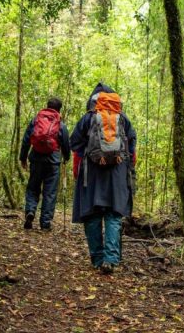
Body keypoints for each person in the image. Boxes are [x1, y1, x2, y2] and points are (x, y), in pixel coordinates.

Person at [71, 83, 136, 274]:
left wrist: (90, 155)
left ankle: (98, 259)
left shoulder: (88, 118)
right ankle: (111, 259)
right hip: (117, 174)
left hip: (91, 175)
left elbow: (74, 142)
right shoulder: (123, 119)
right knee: (114, 215)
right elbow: (131, 147)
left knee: (92, 216)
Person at [20, 97, 70, 230]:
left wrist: (23, 158)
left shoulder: (36, 120)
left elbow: (26, 139)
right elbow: (65, 142)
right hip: (53, 161)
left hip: (36, 158)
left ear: (47, 106)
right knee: (50, 192)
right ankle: (45, 223)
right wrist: (66, 157)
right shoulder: (60, 124)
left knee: (33, 188)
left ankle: (30, 211)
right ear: (59, 109)